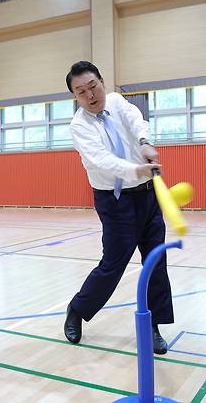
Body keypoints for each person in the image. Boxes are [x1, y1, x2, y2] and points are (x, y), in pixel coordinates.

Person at [63, 61, 173, 354]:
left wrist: (146, 143)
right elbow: (101, 160)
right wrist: (136, 170)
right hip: (115, 200)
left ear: (102, 81)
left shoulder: (116, 101)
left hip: (147, 195)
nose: (90, 95)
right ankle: (77, 308)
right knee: (113, 264)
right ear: (75, 96)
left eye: (93, 86)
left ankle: (153, 326)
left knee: (154, 261)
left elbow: (136, 121)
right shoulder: (79, 126)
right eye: (81, 92)